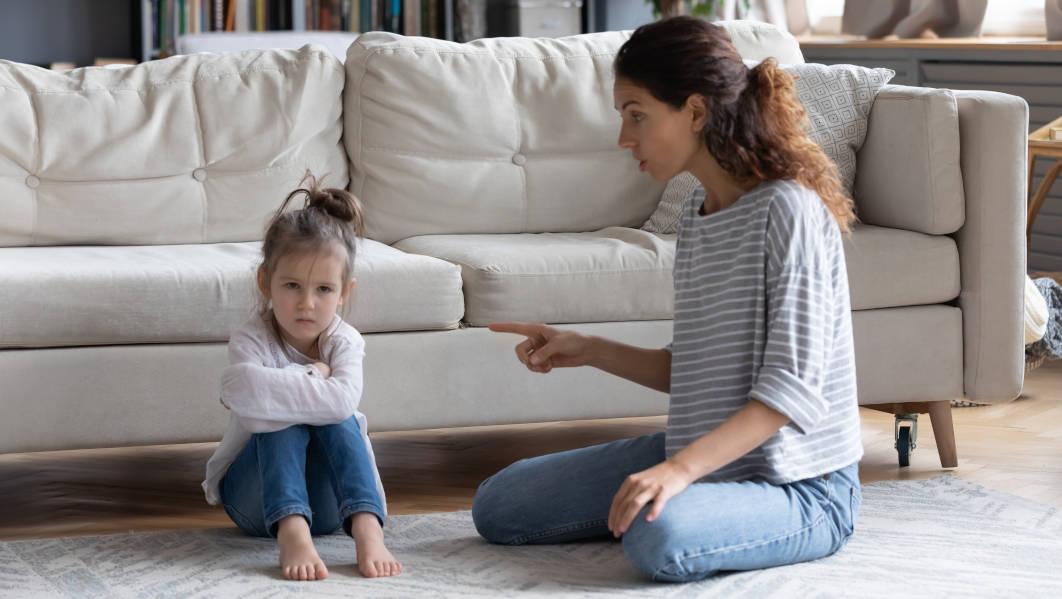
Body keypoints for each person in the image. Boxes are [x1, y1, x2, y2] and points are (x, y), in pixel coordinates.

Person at [472, 16, 863, 582]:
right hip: (716, 461)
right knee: (501, 504)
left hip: (803, 488)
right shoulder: (698, 218)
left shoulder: (789, 212)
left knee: (659, 535)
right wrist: (588, 347)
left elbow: (790, 394)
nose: (624, 138)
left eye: (637, 115)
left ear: (696, 112)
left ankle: (696, 504)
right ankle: (695, 498)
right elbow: (695, 372)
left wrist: (677, 471)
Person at [202, 175, 401, 581]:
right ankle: (292, 530)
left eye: (324, 289)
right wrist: (315, 375)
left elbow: (342, 402)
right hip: (255, 505)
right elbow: (241, 396)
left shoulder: (345, 341)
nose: (307, 303)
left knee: (340, 419)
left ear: (344, 291)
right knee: (282, 421)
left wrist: (284, 387)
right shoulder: (251, 339)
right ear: (266, 283)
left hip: (331, 509)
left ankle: (366, 527)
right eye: (292, 285)